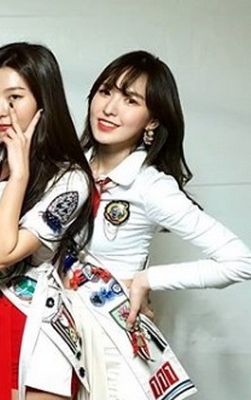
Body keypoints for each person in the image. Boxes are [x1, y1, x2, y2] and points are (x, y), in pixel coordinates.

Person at [65, 50, 251, 400]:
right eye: (106, 92)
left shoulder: (151, 186)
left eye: (130, 100)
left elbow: (240, 261)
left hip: (112, 344)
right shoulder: (67, 171)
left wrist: (147, 280)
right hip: (57, 333)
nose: (110, 108)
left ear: (152, 121)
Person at [0, 42, 94, 400]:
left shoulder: (70, 180)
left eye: (14, 97)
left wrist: (19, 175)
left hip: (25, 317)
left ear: (44, 101)